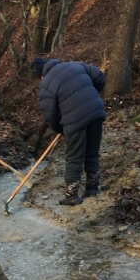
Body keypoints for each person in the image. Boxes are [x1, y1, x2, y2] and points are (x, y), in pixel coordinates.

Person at [34, 57, 106, 206]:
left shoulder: (46, 84)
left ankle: (71, 196)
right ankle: (92, 189)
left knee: (74, 156)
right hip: (96, 111)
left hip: (75, 119)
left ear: (42, 75)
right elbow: (100, 77)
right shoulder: (75, 65)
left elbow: (50, 115)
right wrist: (92, 95)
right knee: (92, 152)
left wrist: (60, 128)